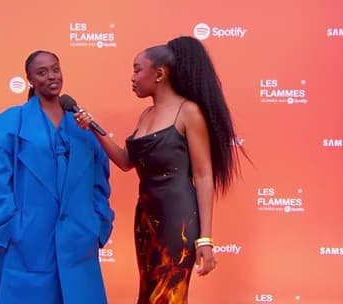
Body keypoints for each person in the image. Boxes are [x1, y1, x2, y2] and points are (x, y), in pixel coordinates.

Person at [75, 36, 242, 303]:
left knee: (168, 296)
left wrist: (205, 239)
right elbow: (126, 161)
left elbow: (203, 175)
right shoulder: (146, 115)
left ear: (160, 74)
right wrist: (93, 126)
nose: (132, 77)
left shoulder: (189, 112)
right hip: (145, 221)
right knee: (149, 295)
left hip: (178, 222)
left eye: (137, 69)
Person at [0, 50, 115, 304]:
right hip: (28, 239)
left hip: (78, 238)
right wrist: (9, 225)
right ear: (30, 80)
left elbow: (98, 180)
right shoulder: (14, 121)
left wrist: (97, 223)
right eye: (42, 72)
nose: (51, 77)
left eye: (55, 69)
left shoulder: (80, 126)